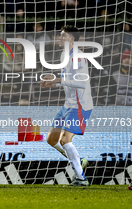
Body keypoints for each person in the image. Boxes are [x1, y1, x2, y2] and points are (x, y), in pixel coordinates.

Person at [40, 25, 92, 186]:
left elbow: (82, 83)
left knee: (65, 140)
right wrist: (53, 85)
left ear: (72, 39)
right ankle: (79, 160)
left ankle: (81, 178)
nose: (60, 38)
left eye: (63, 36)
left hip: (80, 105)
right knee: (51, 139)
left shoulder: (78, 57)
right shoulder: (66, 55)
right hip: (68, 105)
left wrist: (56, 80)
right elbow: (69, 82)